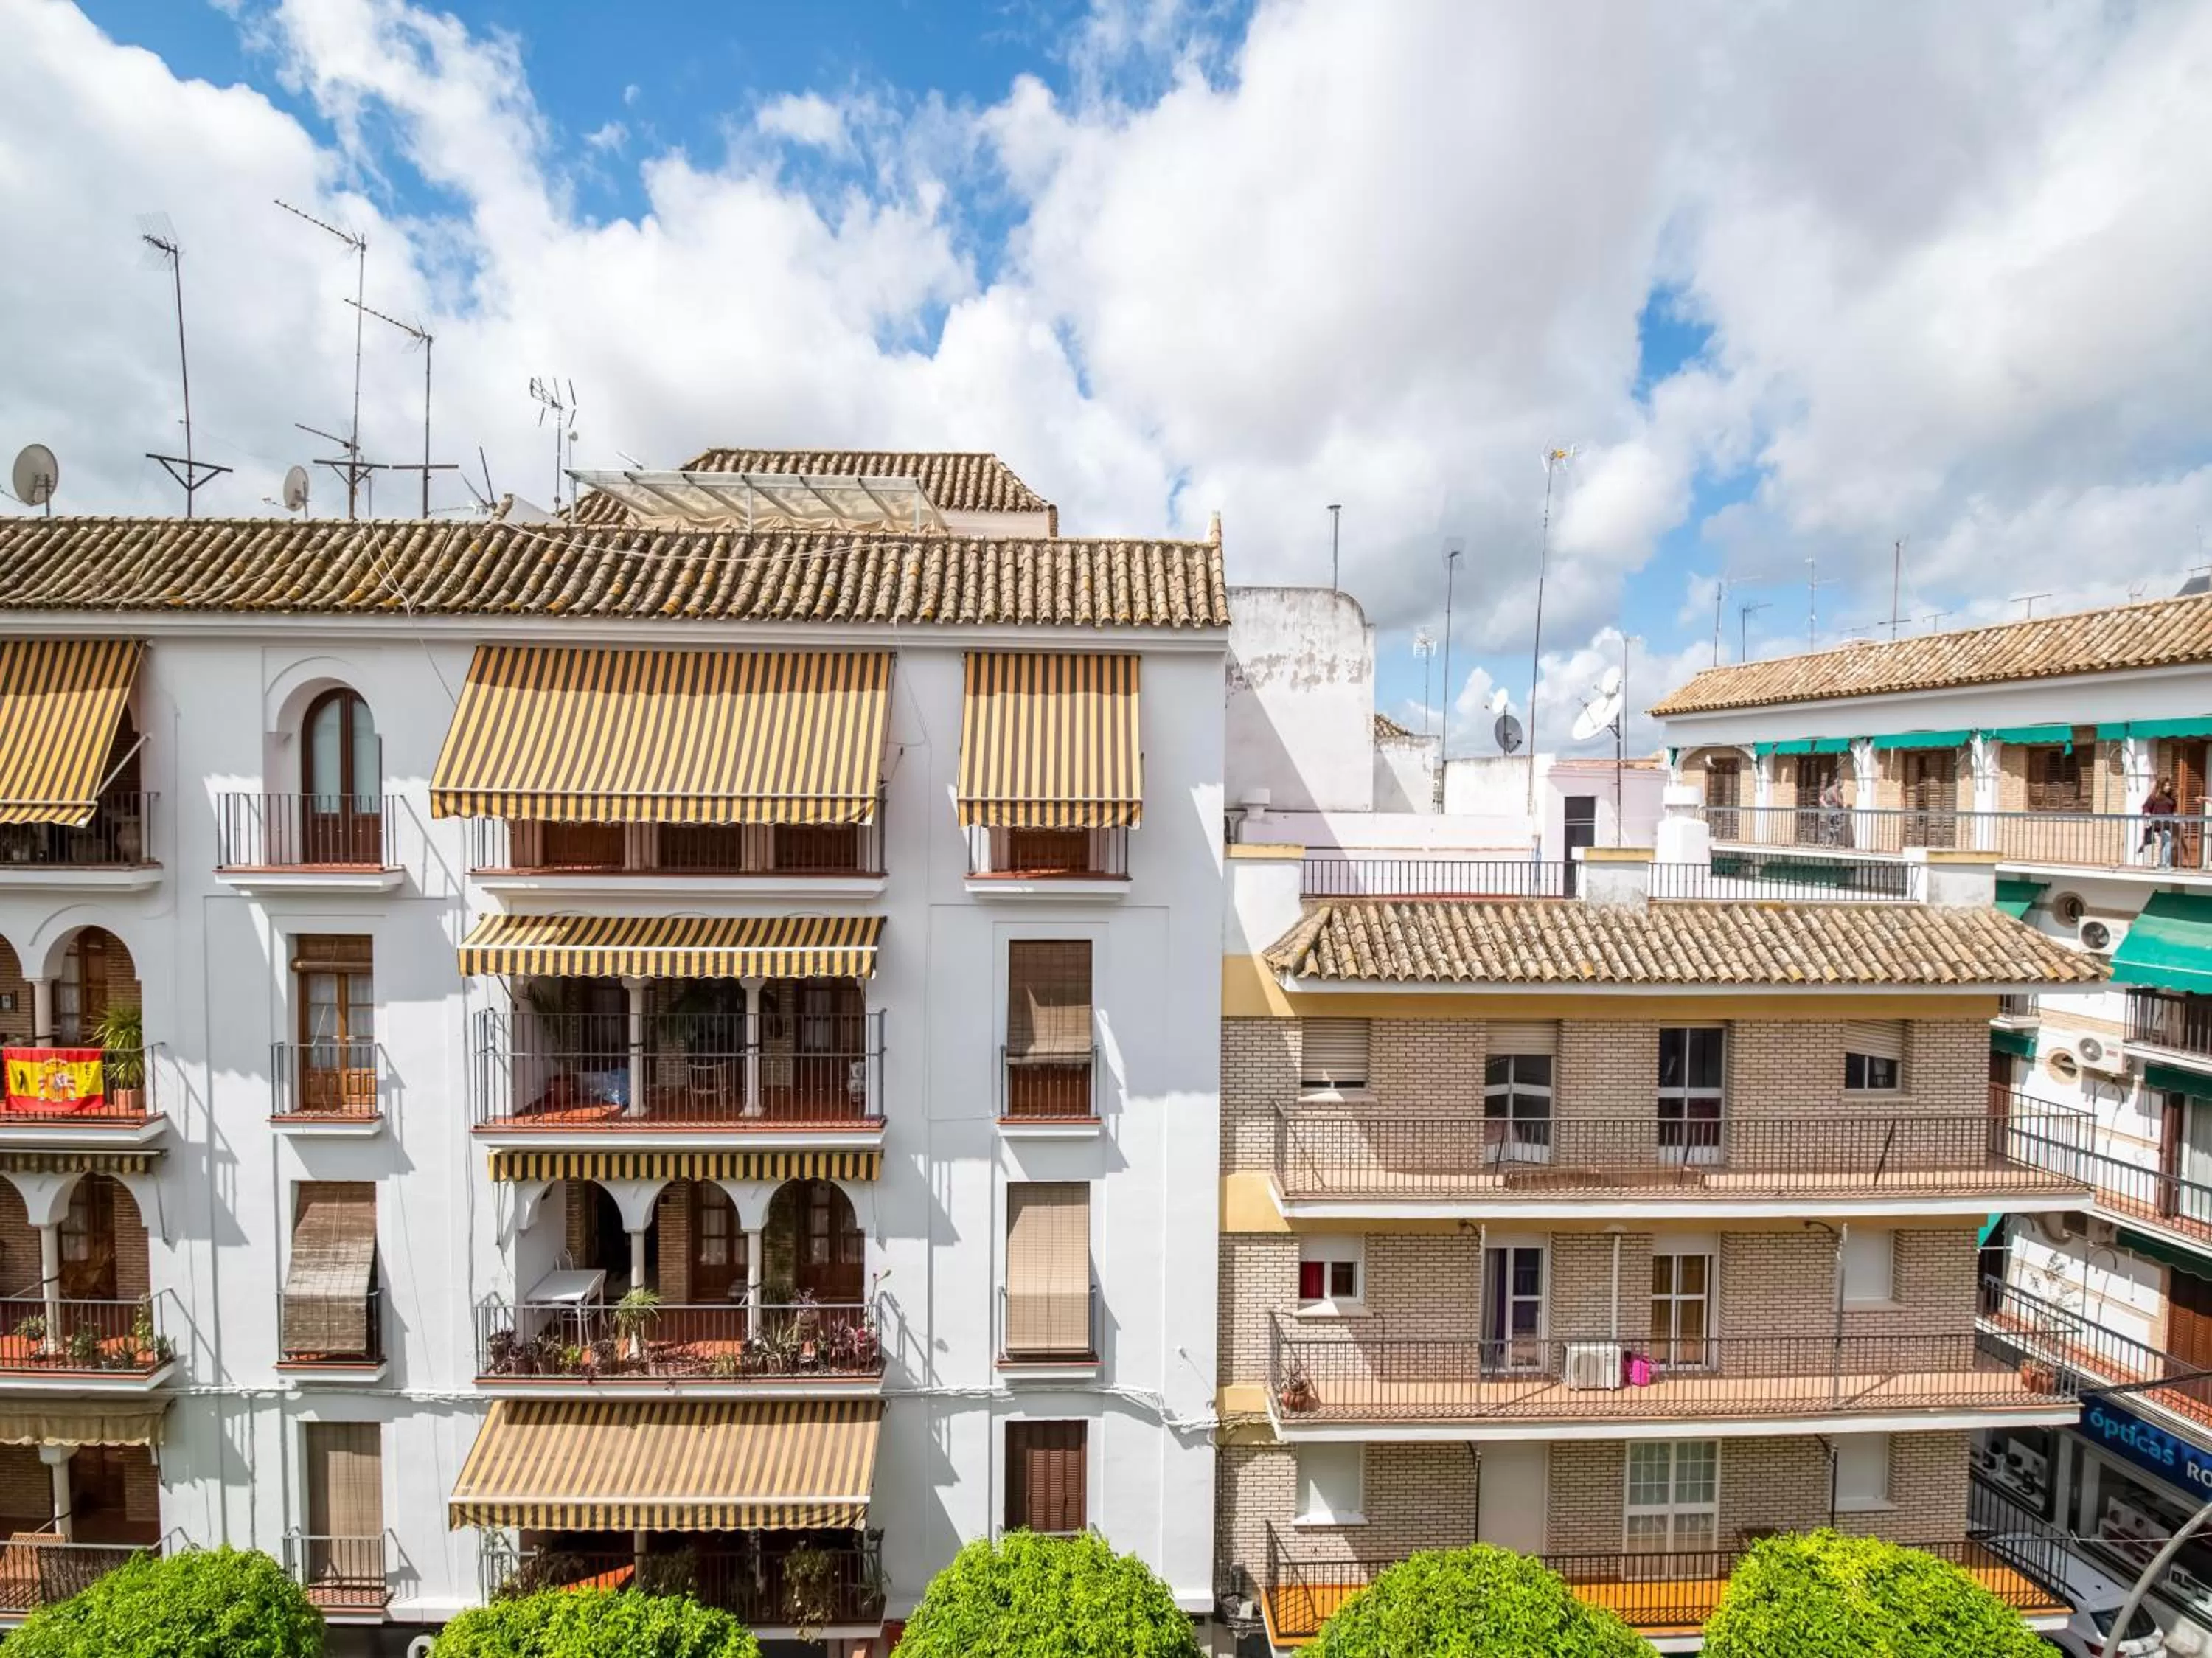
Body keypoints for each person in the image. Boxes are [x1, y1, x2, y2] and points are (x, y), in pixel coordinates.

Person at [2144, 775, 2180, 867]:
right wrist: (2147, 813)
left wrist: (2177, 818)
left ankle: (2162, 863)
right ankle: (2163, 863)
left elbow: (2175, 809)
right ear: (2161, 786)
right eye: (2166, 786)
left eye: (2169, 785)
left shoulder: (2171, 797)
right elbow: (2146, 806)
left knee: (2164, 843)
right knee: (2166, 842)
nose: (2168, 787)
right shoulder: (2154, 797)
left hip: (2168, 825)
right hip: (2157, 825)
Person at [1819, 774, 1851, 848]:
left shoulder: (1831, 790)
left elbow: (1821, 799)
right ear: (1838, 783)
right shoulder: (1834, 791)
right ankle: (1833, 845)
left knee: (1832, 828)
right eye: (1842, 785)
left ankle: (1828, 844)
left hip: (1832, 810)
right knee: (1836, 828)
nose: (1842, 786)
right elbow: (1838, 802)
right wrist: (1828, 806)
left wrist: (1826, 806)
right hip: (1835, 810)